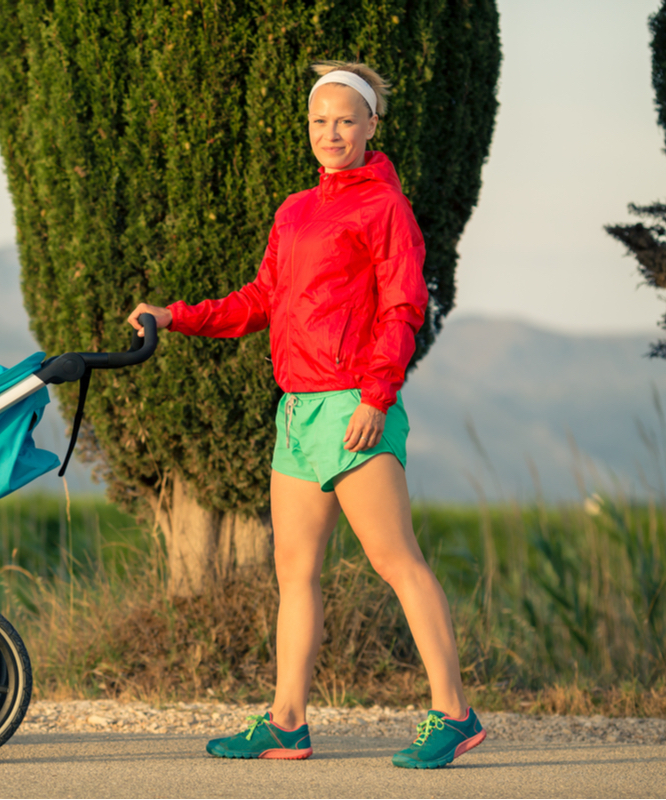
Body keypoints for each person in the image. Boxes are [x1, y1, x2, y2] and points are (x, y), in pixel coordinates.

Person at [126, 62, 485, 769]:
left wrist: (378, 397)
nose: (332, 133)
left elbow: (404, 305)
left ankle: (455, 713)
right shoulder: (294, 210)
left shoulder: (384, 207)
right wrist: (176, 315)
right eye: (321, 121)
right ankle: (288, 721)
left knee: (396, 560)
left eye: (346, 120)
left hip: (354, 402)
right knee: (296, 573)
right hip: (297, 413)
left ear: (371, 126)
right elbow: (260, 300)